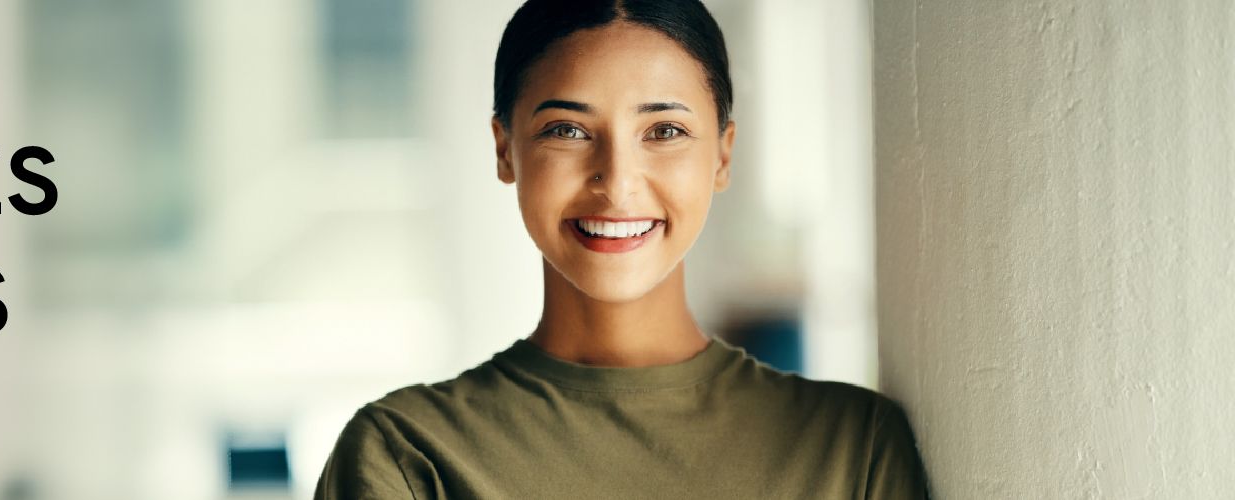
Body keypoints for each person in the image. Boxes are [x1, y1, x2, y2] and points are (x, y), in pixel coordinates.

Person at [315, 0, 929, 497]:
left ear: (722, 153)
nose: (617, 182)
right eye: (568, 130)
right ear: (505, 149)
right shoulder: (407, 456)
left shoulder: (853, 448)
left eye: (664, 131)